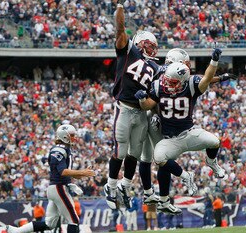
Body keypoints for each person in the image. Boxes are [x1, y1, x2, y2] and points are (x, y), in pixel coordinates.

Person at [134, 48, 224, 215]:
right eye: (168, 80)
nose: (169, 84)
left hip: (189, 132)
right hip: (168, 136)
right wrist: (141, 100)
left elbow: (206, 79)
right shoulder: (159, 83)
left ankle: (212, 163)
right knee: (158, 158)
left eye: (173, 82)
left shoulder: (191, 83)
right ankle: (184, 178)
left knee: (215, 141)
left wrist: (214, 61)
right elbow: (148, 105)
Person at [104, 0, 160, 211]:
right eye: (149, 44)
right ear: (139, 42)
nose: (152, 49)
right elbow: (120, 31)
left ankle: (124, 186)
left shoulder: (156, 67)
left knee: (134, 153)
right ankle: (110, 185)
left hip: (141, 112)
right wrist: (119, 9)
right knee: (120, 150)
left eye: (154, 46)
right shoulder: (129, 52)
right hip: (125, 108)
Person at [6, 124, 95, 233]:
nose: (74, 138)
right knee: (73, 220)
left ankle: (17, 231)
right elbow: (63, 172)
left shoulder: (65, 149)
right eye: (72, 135)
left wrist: (85, 173)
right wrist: (82, 172)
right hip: (59, 188)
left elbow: (69, 174)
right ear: (64, 136)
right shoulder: (59, 150)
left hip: (56, 188)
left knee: (50, 224)